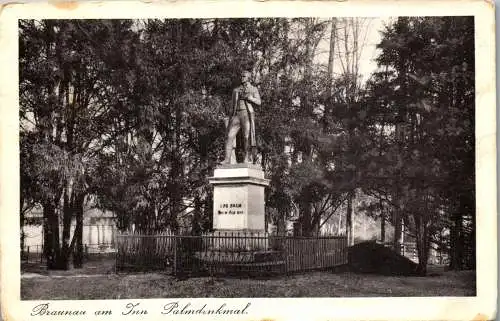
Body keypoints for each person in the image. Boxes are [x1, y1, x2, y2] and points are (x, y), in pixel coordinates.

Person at [221, 70, 261, 164]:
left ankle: (247, 158)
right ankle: (227, 159)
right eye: (241, 76)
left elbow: (259, 102)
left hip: (246, 114)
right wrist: (229, 117)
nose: (242, 78)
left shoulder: (253, 89)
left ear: (249, 78)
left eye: (244, 76)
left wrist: (250, 98)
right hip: (236, 115)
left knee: (246, 137)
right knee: (229, 136)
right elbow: (232, 106)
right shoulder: (236, 90)